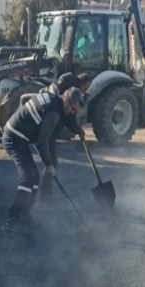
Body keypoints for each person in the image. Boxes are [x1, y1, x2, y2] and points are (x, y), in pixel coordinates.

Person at [0, 87, 85, 234]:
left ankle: (24, 216)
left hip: (19, 135)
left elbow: (68, 117)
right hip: (14, 137)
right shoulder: (54, 113)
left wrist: (78, 130)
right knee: (28, 177)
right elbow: (42, 140)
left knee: (34, 177)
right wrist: (49, 164)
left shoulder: (54, 100)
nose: (72, 112)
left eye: (75, 110)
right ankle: (11, 221)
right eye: (72, 108)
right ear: (65, 99)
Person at [37, 72, 92, 203]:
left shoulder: (67, 83)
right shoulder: (70, 92)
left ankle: (45, 194)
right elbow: (69, 117)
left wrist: (78, 130)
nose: (86, 91)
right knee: (51, 161)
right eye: (86, 87)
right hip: (49, 124)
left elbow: (69, 115)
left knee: (52, 161)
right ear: (83, 83)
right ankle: (43, 197)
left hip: (50, 124)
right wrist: (78, 130)